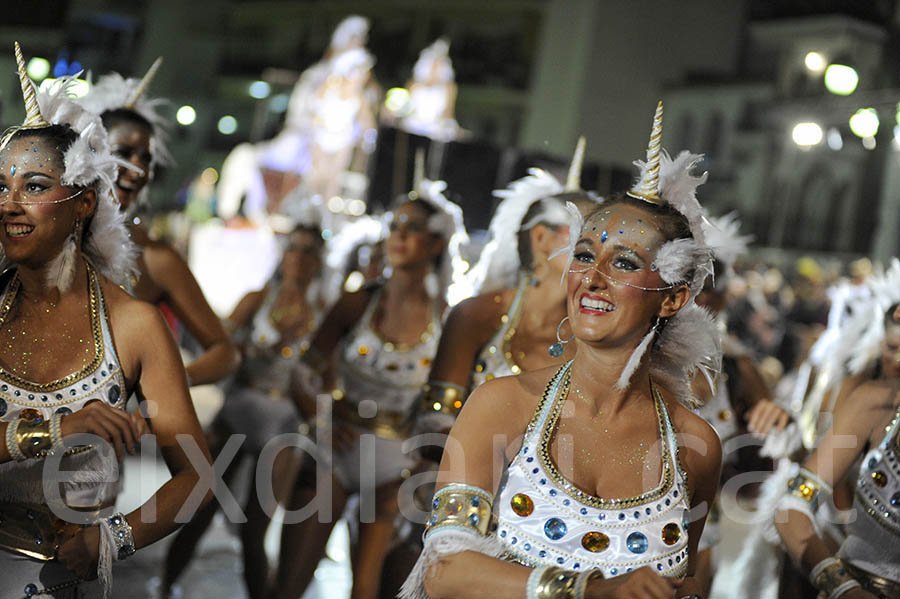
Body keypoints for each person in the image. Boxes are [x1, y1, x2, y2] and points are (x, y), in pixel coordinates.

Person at [402, 102, 723, 599]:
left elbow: (683, 583)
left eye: (624, 263)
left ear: (675, 297)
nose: (593, 279)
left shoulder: (695, 446)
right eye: (585, 255)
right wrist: (591, 592)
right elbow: (444, 570)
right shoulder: (501, 404)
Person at [0, 42, 212, 598]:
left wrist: (113, 539)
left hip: (68, 580)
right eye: (2, 186)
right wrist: (54, 430)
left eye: (35, 187)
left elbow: (197, 476)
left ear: (85, 201)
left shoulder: (135, 324)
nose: (9, 203)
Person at [379, 138, 597, 597]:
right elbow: (437, 425)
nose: (598, 255)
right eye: (585, 238)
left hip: (554, 517)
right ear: (540, 238)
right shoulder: (477, 316)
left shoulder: (598, 336)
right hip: (461, 495)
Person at [274, 179, 468, 599]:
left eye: (411, 227)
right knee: (289, 585)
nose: (398, 235)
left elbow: (455, 404)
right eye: (394, 225)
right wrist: (321, 419)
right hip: (334, 449)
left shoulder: (449, 320)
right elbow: (301, 374)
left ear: (436, 244)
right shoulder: (356, 302)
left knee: (369, 589)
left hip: (398, 462)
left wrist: (427, 461)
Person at [160, 222, 326, 598]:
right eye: (295, 248)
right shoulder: (258, 298)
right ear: (284, 255)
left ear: (320, 261)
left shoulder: (325, 313)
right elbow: (220, 349)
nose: (300, 258)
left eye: (309, 251)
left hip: (285, 421)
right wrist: (243, 352)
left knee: (256, 527)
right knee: (199, 508)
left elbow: (328, 377)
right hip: (240, 409)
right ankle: (166, 587)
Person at [80, 58, 239, 387]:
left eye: (146, 158)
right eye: (124, 152)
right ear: (91, 150)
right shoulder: (50, 232)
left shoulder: (155, 258)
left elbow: (225, 352)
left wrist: (162, 388)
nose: (137, 169)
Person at [771, 293, 900, 598]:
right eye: (893, 348)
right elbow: (794, 504)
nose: (898, 360)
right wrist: (843, 587)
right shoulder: (868, 399)